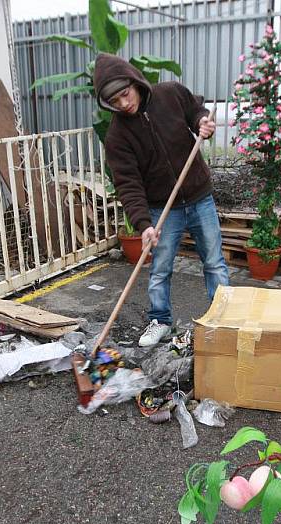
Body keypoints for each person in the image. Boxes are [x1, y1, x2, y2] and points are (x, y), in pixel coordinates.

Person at [93, 53, 230, 347]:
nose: (123, 104)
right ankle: (160, 320)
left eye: (125, 95)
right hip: (161, 208)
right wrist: (143, 224)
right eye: (114, 101)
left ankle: (223, 319)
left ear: (134, 83)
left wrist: (202, 122)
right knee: (160, 267)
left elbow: (195, 110)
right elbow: (128, 184)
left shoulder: (170, 94)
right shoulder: (118, 137)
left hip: (198, 195)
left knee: (214, 261)